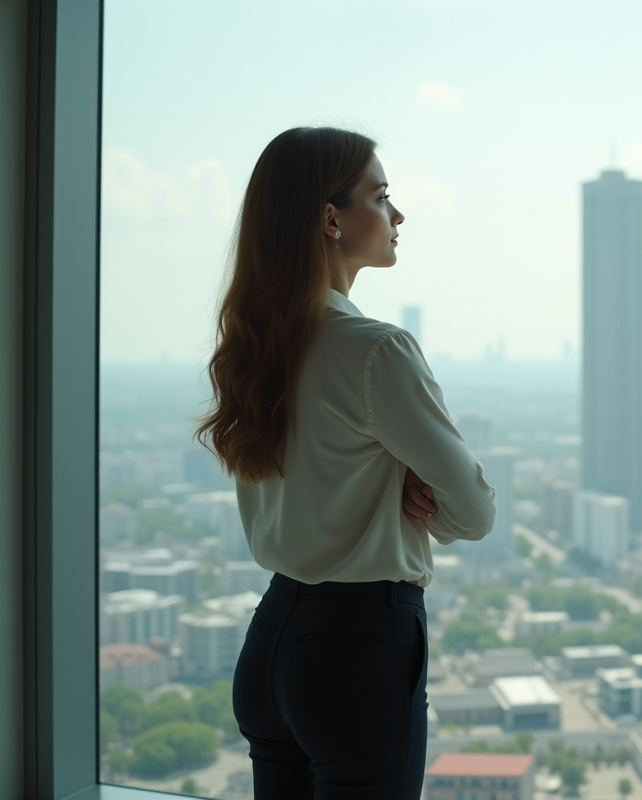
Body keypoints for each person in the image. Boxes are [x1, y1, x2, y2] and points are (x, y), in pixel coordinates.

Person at [196, 126, 496, 799]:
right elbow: (474, 512)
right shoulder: (374, 352)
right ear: (331, 218)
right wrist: (426, 501)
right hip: (358, 653)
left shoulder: (256, 345)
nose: (398, 215)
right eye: (381, 196)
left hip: (272, 640)